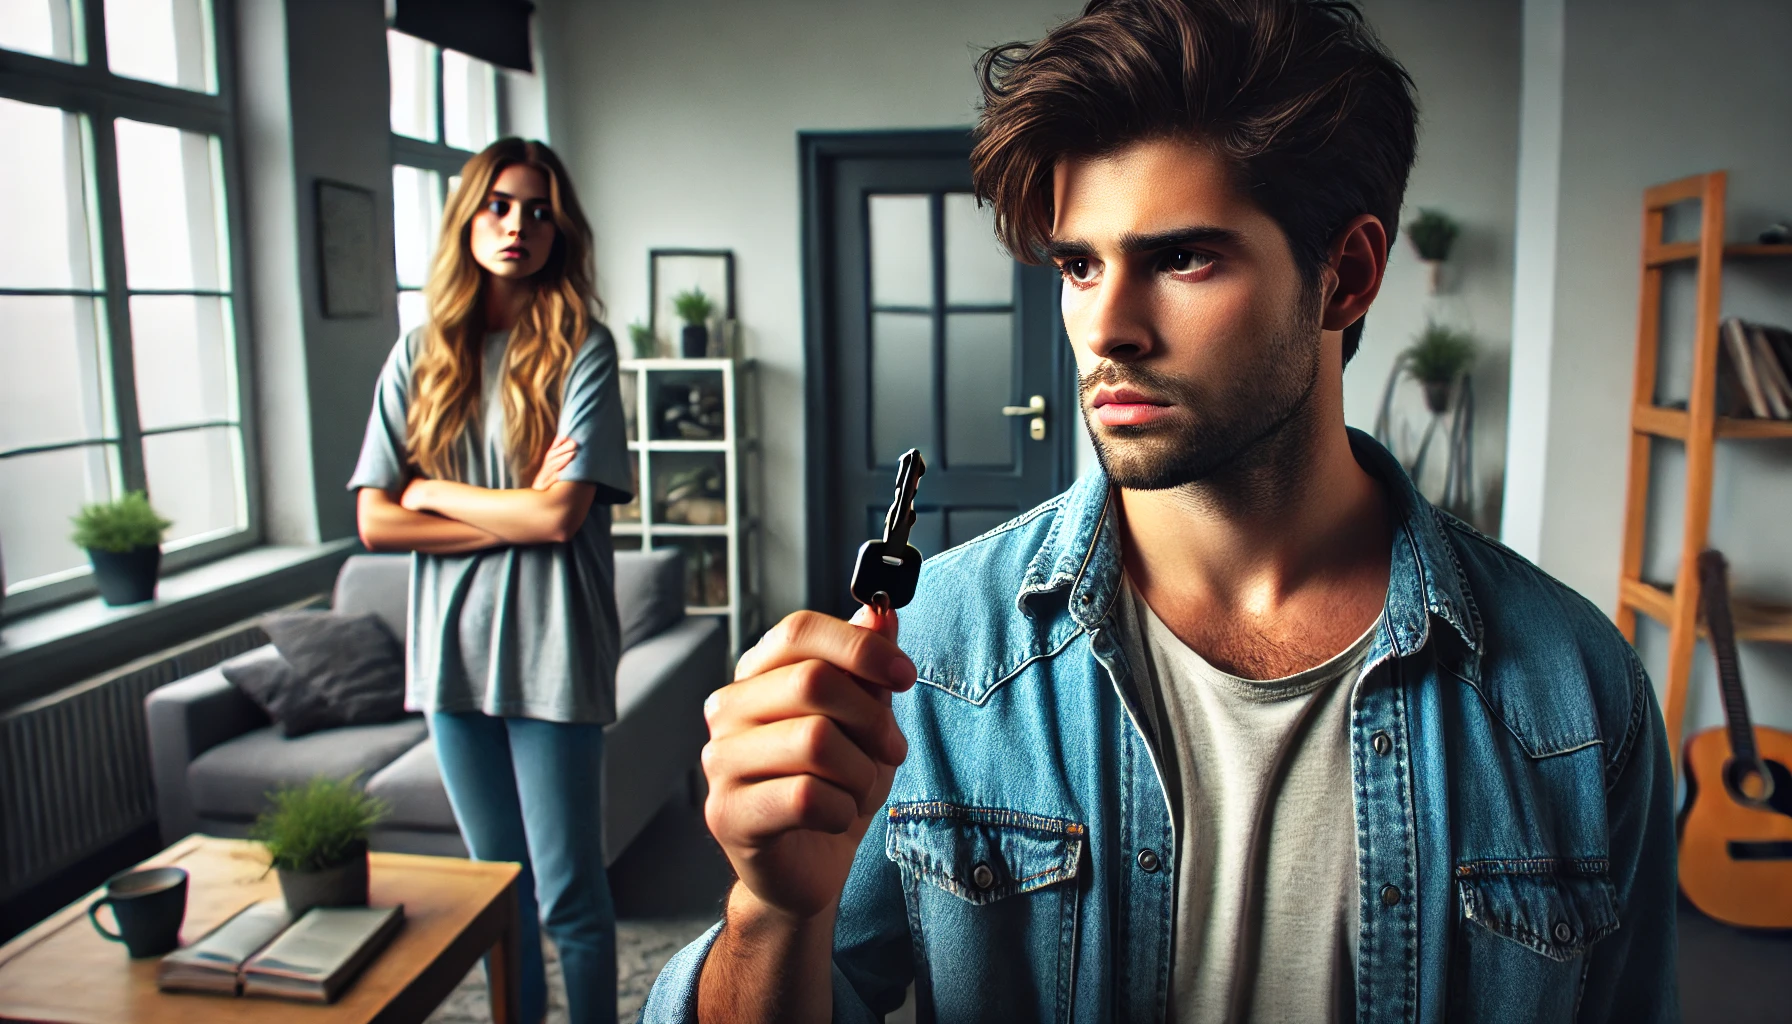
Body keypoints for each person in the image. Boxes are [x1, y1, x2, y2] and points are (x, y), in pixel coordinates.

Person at [643, 1, 1679, 1022]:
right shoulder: (938, 655)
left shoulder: (1576, 697)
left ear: (1346, 275)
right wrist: (773, 912)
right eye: (1077, 264)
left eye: (1182, 258)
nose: (1106, 327)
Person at [351, 137, 632, 1024]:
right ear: (468, 218)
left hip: (554, 650)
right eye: (500, 205)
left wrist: (431, 490)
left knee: (569, 897)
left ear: (562, 231)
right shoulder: (418, 355)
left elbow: (558, 519)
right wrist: (506, 504)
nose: (518, 226)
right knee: (493, 889)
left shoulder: (584, 347)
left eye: (540, 211)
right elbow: (374, 522)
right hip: (452, 660)